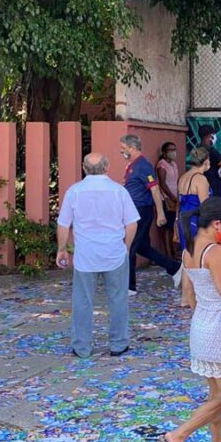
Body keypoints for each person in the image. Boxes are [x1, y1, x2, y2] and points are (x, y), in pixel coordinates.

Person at [162, 197, 221, 442]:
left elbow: (191, 295)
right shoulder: (214, 252)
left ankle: (217, 439)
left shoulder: (189, 250)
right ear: (217, 223)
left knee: (217, 394)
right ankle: (178, 435)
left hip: (205, 325)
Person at [56, 153, 139, 358]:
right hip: (114, 252)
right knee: (118, 299)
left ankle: (82, 346)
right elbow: (131, 223)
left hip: (86, 254)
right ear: (107, 167)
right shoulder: (119, 191)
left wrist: (62, 248)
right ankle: (118, 344)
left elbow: (63, 224)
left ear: (83, 168)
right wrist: (126, 246)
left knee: (82, 301)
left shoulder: (74, 192)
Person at [120, 135, 182, 296]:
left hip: (141, 210)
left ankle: (129, 286)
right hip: (135, 210)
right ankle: (174, 267)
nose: (121, 151)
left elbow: (154, 188)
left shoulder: (142, 165)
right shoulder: (133, 165)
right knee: (142, 247)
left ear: (132, 148)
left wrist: (160, 213)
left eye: (123, 147)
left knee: (131, 247)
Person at [178, 147, 212, 308]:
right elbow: (205, 206)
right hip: (195, 220)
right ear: (205, 162)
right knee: (196, 257)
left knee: (186, 256)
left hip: (183, 219)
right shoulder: (200, 179)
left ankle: (185, 296)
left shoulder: (184, 177)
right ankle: (192, 295)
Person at [156, 142, 179, 260]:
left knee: (173, 226)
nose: (173, 152)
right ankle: (168, 254)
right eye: (170, 150)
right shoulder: (162, 165)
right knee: (167, 227)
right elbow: (162, 184)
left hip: (174, 198)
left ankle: (174, 251)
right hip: (166, 199)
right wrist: (172, 197)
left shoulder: (174, 164)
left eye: (174, 149)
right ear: (164, 153)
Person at [197, 125, 221, 199]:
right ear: (211, 136)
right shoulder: (211, 151)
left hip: (204, 187)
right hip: (215, 189)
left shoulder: (198, 149)